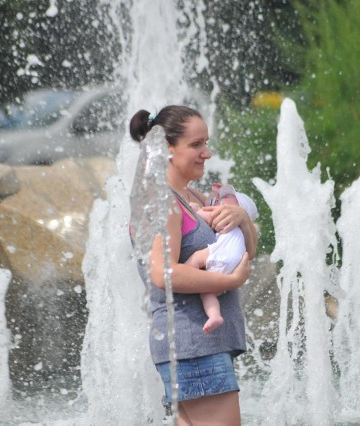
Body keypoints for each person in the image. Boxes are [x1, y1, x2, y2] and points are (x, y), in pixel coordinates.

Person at [129, 105, 258, 425]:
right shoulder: (163, 202)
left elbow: (246, 253)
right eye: (196, 145)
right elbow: (162, 273)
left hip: (196, 347)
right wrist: (229, 282)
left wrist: (242, 219)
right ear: (167, 149)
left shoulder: (192, 197)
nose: (207, 152)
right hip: (193, 346)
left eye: (206, 143)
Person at [185, 184, 259, 333]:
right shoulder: (236, 227)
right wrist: (213, 193)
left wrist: (195, 210)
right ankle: (214, 315)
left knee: (195, 260)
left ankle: (185, 271)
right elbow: (210, 202)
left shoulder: (226, 216)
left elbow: (207, 211)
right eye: (220, 198)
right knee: (208, 292)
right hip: (233, 264)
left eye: (226, 198)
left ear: (239, 208)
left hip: (221, 255)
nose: (220, 200)